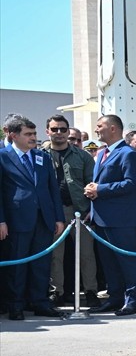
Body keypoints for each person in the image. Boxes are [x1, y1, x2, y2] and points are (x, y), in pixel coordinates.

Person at [0, 115, 66, 320]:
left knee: (41, 263)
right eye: (28, 134)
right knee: (17, 264)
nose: (33, 137)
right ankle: (16, 305)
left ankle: (40, 302)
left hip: (44, 219)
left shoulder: (42, 157)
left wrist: (58, 217)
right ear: (12, 135)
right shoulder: (2, 157)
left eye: (34, 133)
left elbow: (52, 189)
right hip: (16, 220)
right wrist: (1, 220)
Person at [85, 114, 136, 316]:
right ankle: (115, 298)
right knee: (109, 263)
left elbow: (131, 184)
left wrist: (100, 189)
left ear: (113, 128)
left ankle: (132, 301)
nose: (96, 130)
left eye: (100, 126)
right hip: (102, 218)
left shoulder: (128, 153)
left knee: (128, 261)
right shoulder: (102, 153)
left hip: (123, 219)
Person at [45, 114, 98, 305]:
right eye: (54, 129)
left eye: (63, 129)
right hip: (52, 213)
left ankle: (91, 291)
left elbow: (92, 183)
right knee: (55, 255)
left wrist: (91, 209)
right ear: (48, 132)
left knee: (86, 254)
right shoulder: (39, 154)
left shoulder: (82, 156)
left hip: (79, 211)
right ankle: (56, 292)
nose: (59, 133)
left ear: (68, 132)